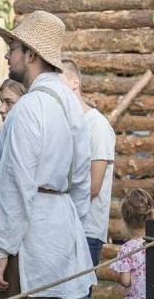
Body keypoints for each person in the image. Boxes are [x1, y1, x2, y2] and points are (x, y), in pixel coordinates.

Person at [0, 10, 94, 297]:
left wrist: (0, 249)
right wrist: (69, 225)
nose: (8, 56)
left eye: (13, 49)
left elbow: (15, 185)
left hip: (30, 240)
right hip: (62, 230)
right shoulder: (71, 105)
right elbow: (82, 182)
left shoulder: (27, 108)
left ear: (30, 55)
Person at [60, 59, 116, 274]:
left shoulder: (97, 125)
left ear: (74, 83)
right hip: (62, 226)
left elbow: (93, 186)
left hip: (86, 230)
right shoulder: (63, 124)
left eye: (58, 81)